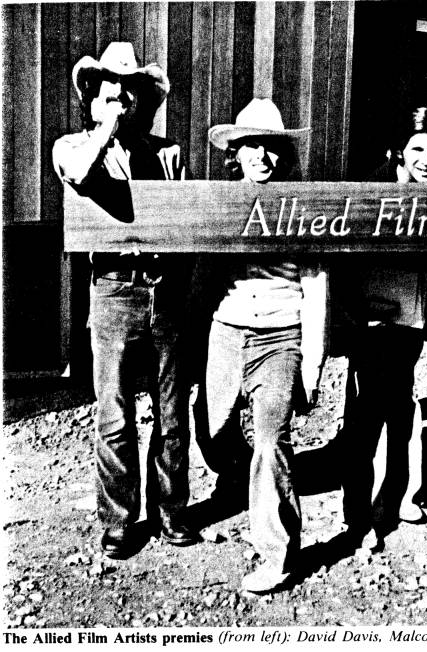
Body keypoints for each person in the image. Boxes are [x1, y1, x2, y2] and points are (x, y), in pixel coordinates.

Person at [53, 42, 197, 559]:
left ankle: (172, 511)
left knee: (172, 412)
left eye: (128, 94)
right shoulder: (71, 146)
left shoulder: (167, 152)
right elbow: (79, 174)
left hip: (164, 288)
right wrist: (107, 129)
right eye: (109, 93)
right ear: (92, 99)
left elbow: (183, 221)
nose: (119, 102)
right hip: (113, 289)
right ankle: (118, 521)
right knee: (114, 415)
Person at [204, 98, 328, 593]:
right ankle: (241, 479)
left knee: (271, 440)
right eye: (251, 146)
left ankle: (276, 552)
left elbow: (316, 285)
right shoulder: (220, 203)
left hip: (281, 334)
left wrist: (312, 363)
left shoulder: (302, 206)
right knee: (212, 428)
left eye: (271, 147)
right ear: (236, 152)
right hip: (227, 330)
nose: (262, 156)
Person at [340, 107, 427, 547]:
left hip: (412, 317)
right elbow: (344, 258)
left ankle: (397, 493)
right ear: (398, 152)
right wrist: (357, 312)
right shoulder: (372, 192)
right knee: (366, 413)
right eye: (418, 149)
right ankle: (358, 515)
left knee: (400, 405)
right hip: (373, 320)